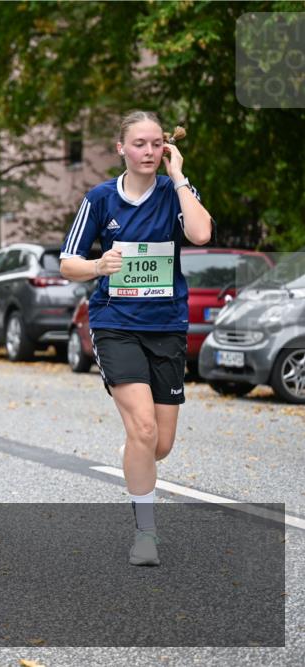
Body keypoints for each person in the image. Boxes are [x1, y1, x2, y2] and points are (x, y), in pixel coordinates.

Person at [59, 110, 213, 566]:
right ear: (121, 149)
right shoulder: (101, 199)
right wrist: (98, 266)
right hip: (115, 323)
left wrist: (180, 176)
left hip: (166, 327)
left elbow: (202, 234)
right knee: (143, 427)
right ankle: (146, 534)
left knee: (159, 443)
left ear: (165, 146)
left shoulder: (175, 192)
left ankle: (135, 452)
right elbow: (68, 264)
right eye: (139, 144)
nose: (147, 151)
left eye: (154, 144)